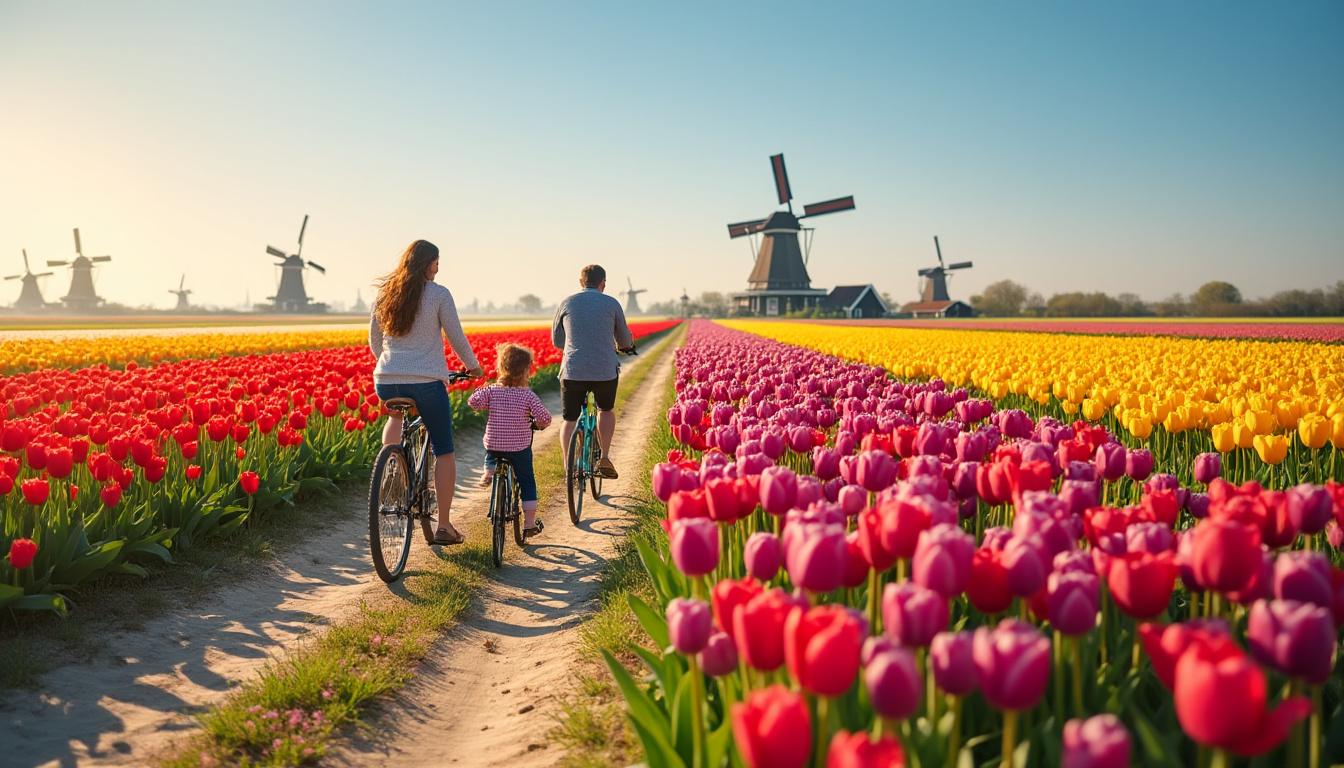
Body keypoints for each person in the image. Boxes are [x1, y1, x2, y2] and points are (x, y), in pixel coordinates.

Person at [369, 239, 484, 546]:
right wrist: (473, 367)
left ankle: (390, 469)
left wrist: (390, 364)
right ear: (427, 263)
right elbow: (456, 336)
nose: (438, 267)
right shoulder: (438, 294)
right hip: (427, 382)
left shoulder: (386, 293)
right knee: (444, 449)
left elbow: (375, 340)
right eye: (436, 261)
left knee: (395, 415)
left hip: (386, 378)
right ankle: (444, 525)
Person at [551, 264, 634, 479]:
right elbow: (624, 339)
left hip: (572, 370)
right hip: (604, 370)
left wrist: (573, 346)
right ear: (603, 283)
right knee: (605, 410)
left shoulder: (566, 302)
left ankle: (568, 465)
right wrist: (624, 346)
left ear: (581, 282)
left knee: (569, 419)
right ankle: (604, 456)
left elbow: (557, 340)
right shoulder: (612, 303)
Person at [468, 343, 553, 536]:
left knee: (492, 447)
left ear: (501, 367)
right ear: (526, 371)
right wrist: (539, 425)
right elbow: (545, 418)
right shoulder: (527, 395)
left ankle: (489, 471)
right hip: (519, 448)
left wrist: (483, 389)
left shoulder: (492, 391)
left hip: (495, 445)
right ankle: (529, 523)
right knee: (527, 481)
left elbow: (473, 402)